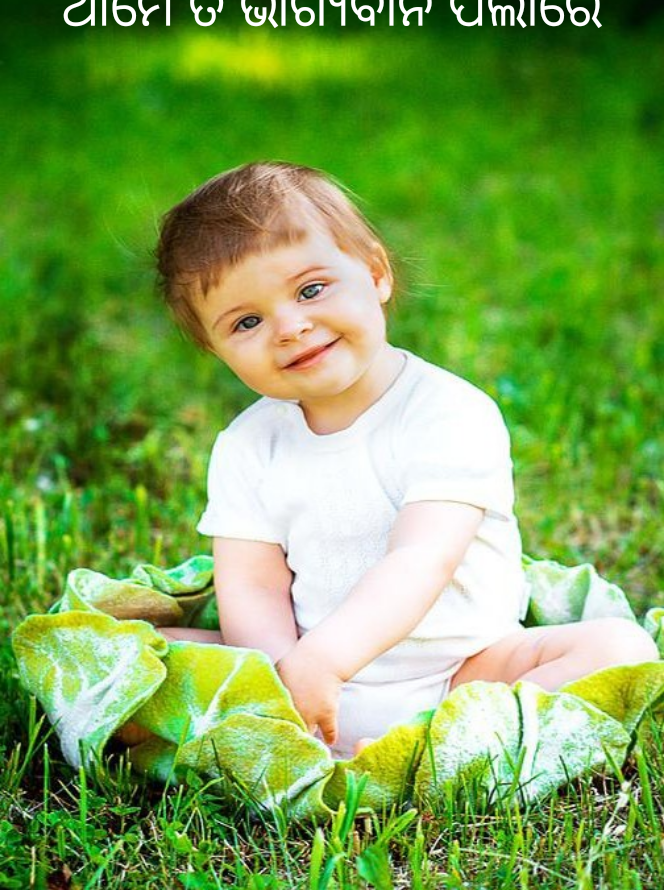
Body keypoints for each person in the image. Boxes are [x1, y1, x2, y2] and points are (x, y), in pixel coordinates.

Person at [154, 161, 658, 759]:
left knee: (618, 651)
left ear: (376, 274)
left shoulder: (447, 413)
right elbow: (253, 588)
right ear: (216, 350)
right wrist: (284, 682)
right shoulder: (247, 445)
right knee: (137, 653)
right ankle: (335, 745)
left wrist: (328, 659)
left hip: (465, 671)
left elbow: (422, 557)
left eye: (311, 290)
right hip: (305, 672)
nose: (290, 327)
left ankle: (442, 743)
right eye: (247, 322)